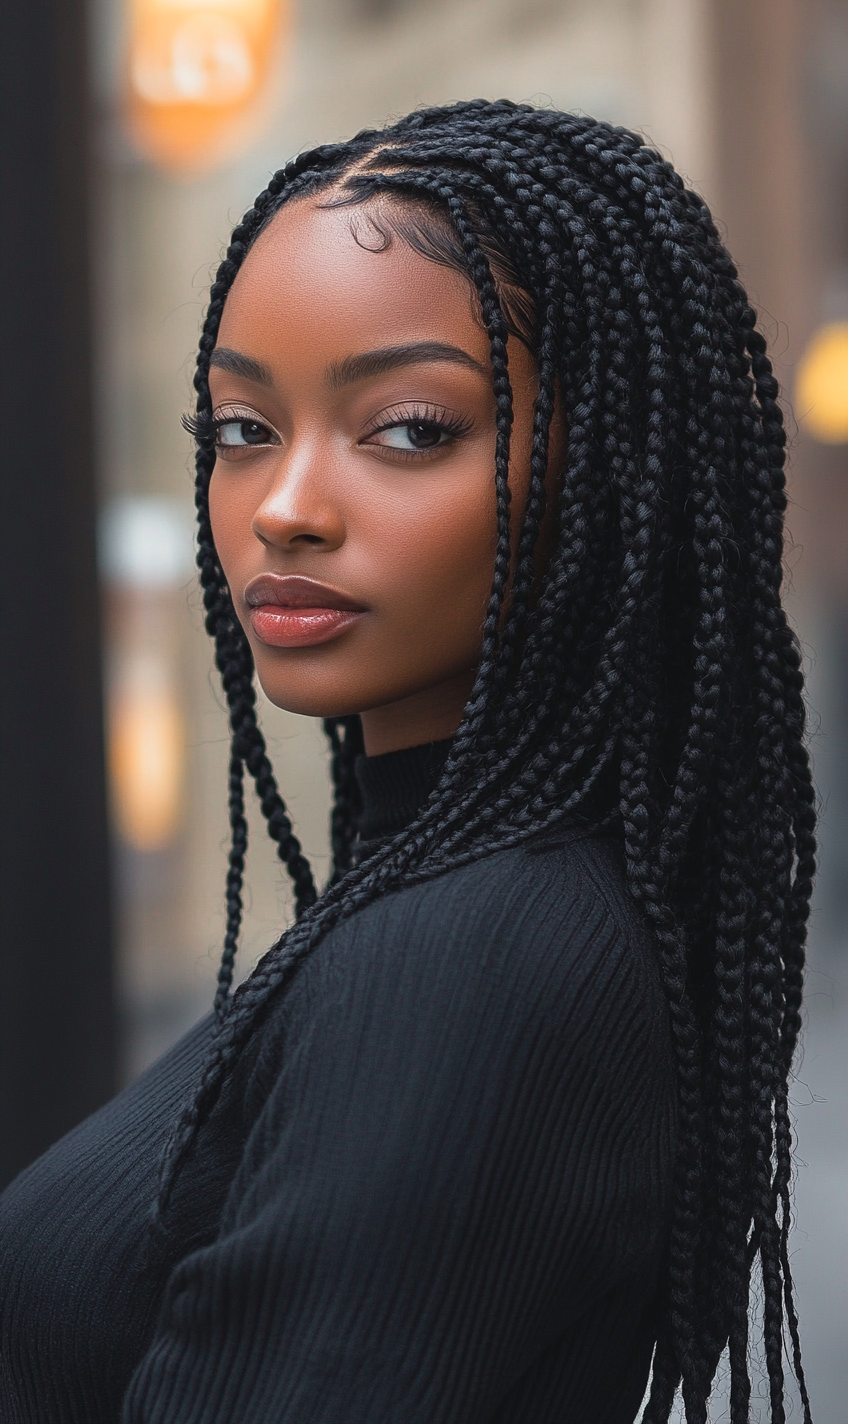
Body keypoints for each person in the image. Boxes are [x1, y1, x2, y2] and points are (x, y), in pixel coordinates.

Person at [0, 100, 815, 1424]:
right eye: (241, 429)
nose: (284, 507)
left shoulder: (475, 957)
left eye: (410, 428)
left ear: (597, 464)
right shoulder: (441, 896)